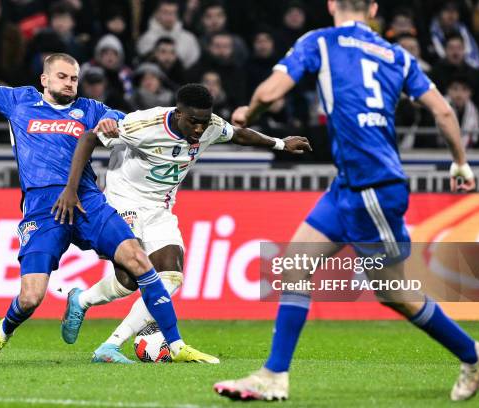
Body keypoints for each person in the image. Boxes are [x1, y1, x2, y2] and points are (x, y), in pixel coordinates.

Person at [213, 0, 479, 402]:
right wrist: (461, 163)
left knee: (393, 292)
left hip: (374, 189)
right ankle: (274, 375)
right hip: (349, 185)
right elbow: (444, 112)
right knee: (295, 264)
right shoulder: (397, 54)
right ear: (373, 8)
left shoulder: (320, 42)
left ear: (331, 4)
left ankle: (474, 353)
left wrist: (248, 109)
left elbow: (273, 90)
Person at [0, 18, 216, 364]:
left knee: (140, 262)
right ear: (45, 79)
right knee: (32, 297)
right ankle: (3, 331)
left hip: (87, 201)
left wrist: (132, 124)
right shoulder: (17, 101)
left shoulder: (91, 109)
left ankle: (175, 345)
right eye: (63, 77)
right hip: (43, 208)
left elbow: (138, 126)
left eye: (74, 78)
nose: (70, 83)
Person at [53, 83, 311, 363]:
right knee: (129, 278)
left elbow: (239, 134)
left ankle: (109, 344)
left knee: (171, 277)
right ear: (178, 114)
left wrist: (281, 143)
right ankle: (83, 301)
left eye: (204, 123)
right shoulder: (144, 124)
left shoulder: (210, 125)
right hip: (123, 201)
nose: (200, 130)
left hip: (160, 209)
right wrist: (72, 188)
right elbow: (89, 138)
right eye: (193, 122)